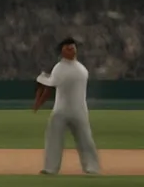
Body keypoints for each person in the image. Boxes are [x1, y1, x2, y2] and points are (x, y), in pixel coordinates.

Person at [34, 37, 101, 176]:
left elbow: (47, 85)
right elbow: (49, 88)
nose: (70, 48)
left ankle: (92, 167)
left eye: (72, 46)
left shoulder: (82, 69)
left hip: (79, 109)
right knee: (54, 139)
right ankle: (50, 168)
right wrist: (39, 102)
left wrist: (40, 95)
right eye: (67, 46)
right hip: (61, 110)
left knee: (85, 139)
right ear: (61, 51)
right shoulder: (59, 68)